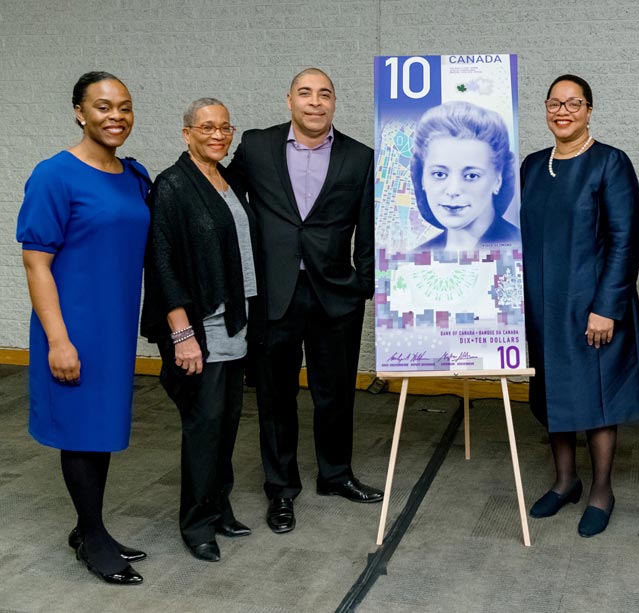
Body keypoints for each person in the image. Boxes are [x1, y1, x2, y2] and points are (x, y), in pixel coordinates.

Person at [228, 67, 382, 535]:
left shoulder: (360, 157)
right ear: (289, 100)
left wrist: (364, 285)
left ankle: (336, 475)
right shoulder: (256, 146)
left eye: (325, 95)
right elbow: (225, 199)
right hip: (274, 294)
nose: (315, 102)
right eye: (305, 93)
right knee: (275, 397)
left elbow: (371, 229)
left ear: (334, 103)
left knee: (334, 393)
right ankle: (281, 489)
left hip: (336, 295)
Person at [16, 71, 150, 585]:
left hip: (114, 328)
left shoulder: (133, 175)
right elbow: (36, 263)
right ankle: (92, 538)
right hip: (72, 326)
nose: (115, 116)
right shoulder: (56, 175)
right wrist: (57, 339)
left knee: (100, 429)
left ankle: (89, 525)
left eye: (125, 106)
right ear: (79, 111)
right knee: (79, 429)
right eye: (102, 106)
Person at [520, 75, 639, 538]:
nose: (563, 111)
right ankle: (564, 482)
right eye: (555, 102)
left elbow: (624, 241)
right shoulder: (533, 167)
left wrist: (607, 306)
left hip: (591, 305)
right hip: (543, 306)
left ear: (589, 109)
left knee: (597, 398)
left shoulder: (609, 163)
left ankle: (601, 490)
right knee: (553, 391)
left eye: (573, 103)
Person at [141, 98, 258, 562]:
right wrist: (181, 334)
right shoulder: (172, 185)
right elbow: (162, 262)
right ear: (186, 133)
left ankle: (219, 506)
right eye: (207, 127)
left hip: (234, 322)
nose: (218, 135)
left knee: (227, 423)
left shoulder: (227, 179)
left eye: (225, 127)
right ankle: (196, 524)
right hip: (201, 329)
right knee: (203, 425)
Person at [411, 101, 518, 252]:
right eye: (439, 174)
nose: (453, 190)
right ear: (422, 178)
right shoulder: (412, 260)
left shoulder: (520, 248)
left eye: (471, 176)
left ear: (497, 180)